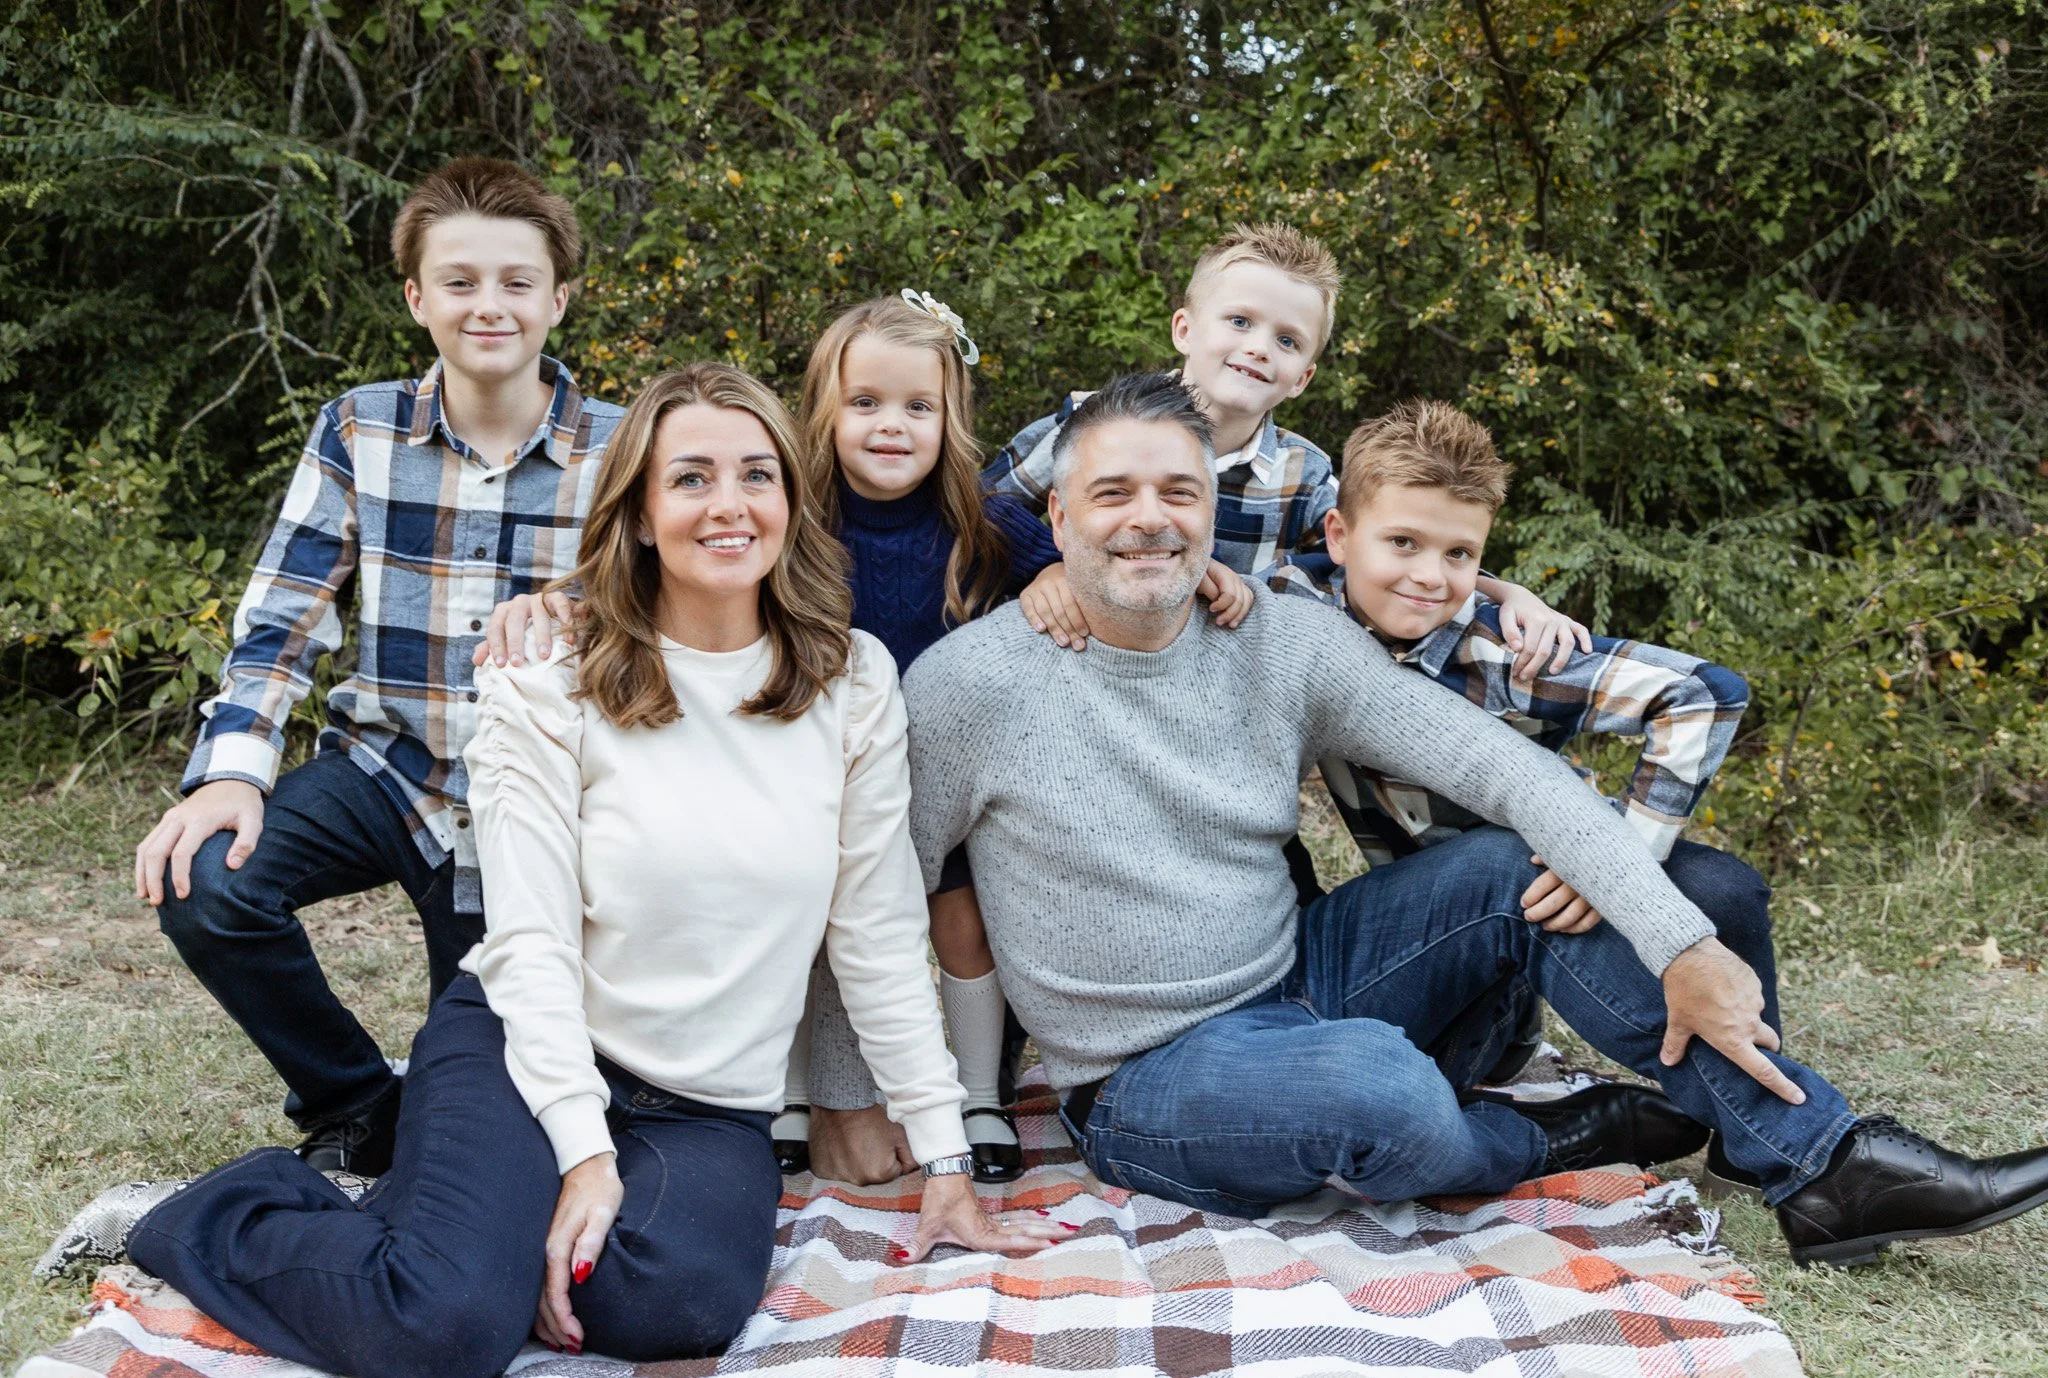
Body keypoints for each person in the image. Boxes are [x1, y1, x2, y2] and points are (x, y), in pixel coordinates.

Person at [888, 371, 2048, 1269]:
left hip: (1302, 971)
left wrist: (1681, 942)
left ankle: (1817, 1165)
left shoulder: (1278, 639)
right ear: (1056, 510)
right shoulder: (970, 686)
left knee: (1508, 863)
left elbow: (1512, 775)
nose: (1149, 519)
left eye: (1177, 491)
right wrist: (881, 1115)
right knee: (1375, 1092)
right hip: (1142, 1078)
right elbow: (883, 885)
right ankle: (1541, 1137)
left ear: (1211, 511)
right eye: (1113, 493)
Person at [126, 363, 1063, 1378]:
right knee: (440, 1324)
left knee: (675, 1305)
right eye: (691, 478)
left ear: (793, 504)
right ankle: (221, 1212)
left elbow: (877, 931)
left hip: (708, 1104)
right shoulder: (544, 684)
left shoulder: (851, 683)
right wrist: (581, 1156)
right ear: (642, 514)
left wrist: (944, 1160)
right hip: (525, 1050)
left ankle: (468, 1232)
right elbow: (525, 940)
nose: (729, 504)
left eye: (757, 475)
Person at [132, 157, 626, 1175]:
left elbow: (667, 617)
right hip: (383, 769)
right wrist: (232, 770)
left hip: (527, 795)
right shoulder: (358, 428)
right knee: (205, 881)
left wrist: (582, 619)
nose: (487, 304)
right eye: (458, 281)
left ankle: (449, 1101)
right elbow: (282, 617)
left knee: (485, 1085)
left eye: (516, 281)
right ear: (416, 298)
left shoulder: (622, 447)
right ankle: (354, 1100)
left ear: (559, 298)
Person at [1268, 400, 1779, 1195]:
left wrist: (1618, 866)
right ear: (1340, 537)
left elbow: (1705, 692)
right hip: (1437, 935)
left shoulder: (1506, 652)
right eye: (1402, 543)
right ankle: (1556, 1127)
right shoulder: (1295, 615)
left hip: (1545, 888)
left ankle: (1753, 1135)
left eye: (1460, 554)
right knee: (1394, 1114)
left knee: (1722, 888)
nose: (1430, 576)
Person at [984, 222, 1584, 670]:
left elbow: (1390, 550)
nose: (1259, 348)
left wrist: (1511, 593)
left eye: (1288, 340)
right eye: (1240, 321)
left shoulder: (1303, 473)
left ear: (1303, 377)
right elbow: (978, 507)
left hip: (1212, 681)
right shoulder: (1090, 426)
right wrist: (1049, 566)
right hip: (1078, 655)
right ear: (1185, 329)